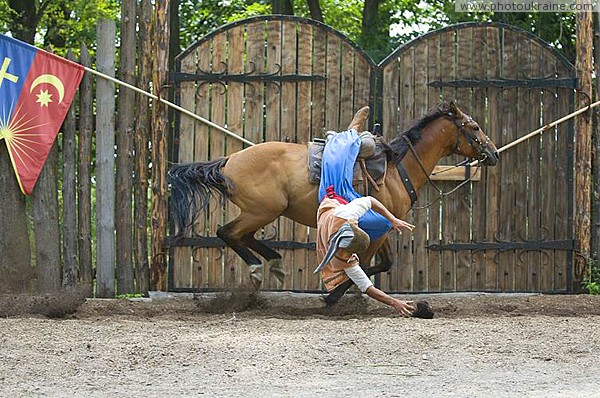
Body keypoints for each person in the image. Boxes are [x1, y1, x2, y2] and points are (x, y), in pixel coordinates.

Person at [315, 186, 416, 317]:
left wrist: (392, 219)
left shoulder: (348, 216)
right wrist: (395, 302)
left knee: (382, 222)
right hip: (329, 207)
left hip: (331, 213)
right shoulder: (342, 259)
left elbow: (370, 200)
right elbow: (367, 287)